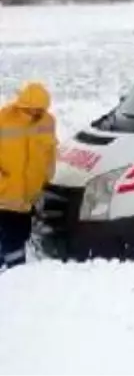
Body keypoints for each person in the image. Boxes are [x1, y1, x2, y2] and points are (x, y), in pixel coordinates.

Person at [0, 81, 57, 271]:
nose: (36, 114)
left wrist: (45, 179)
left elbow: (50, 152)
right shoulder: (3, 119)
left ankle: (11, 269)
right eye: (32, 110)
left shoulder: (48, 122)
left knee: (20, 233)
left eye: (40, 110)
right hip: (5, 195)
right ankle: (16, 272)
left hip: (29, 196)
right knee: (11, 235)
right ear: (22, 105)